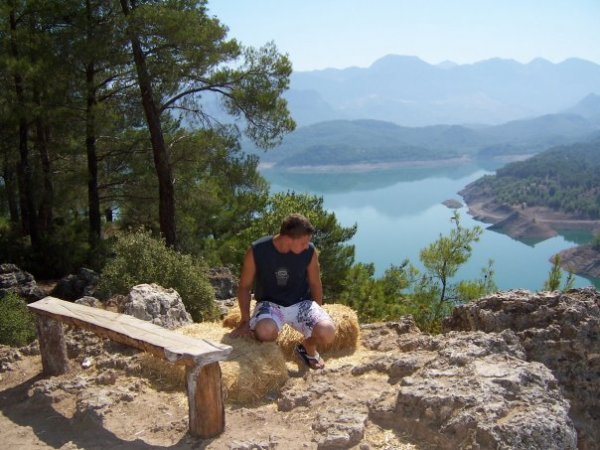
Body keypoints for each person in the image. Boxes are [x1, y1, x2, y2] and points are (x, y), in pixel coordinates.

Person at [231, 213, 336, 369]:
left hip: (301, 303)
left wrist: (316, 314)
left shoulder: (309, 251)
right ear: (288, 239)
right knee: (265, 331)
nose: (307, 246)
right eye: (303, 242)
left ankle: (308, 346)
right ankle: (265, 351)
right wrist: (245, 321)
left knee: (327, 331)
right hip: (270, 304)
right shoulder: (257, 251)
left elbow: (315, 283)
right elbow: (245, 287)